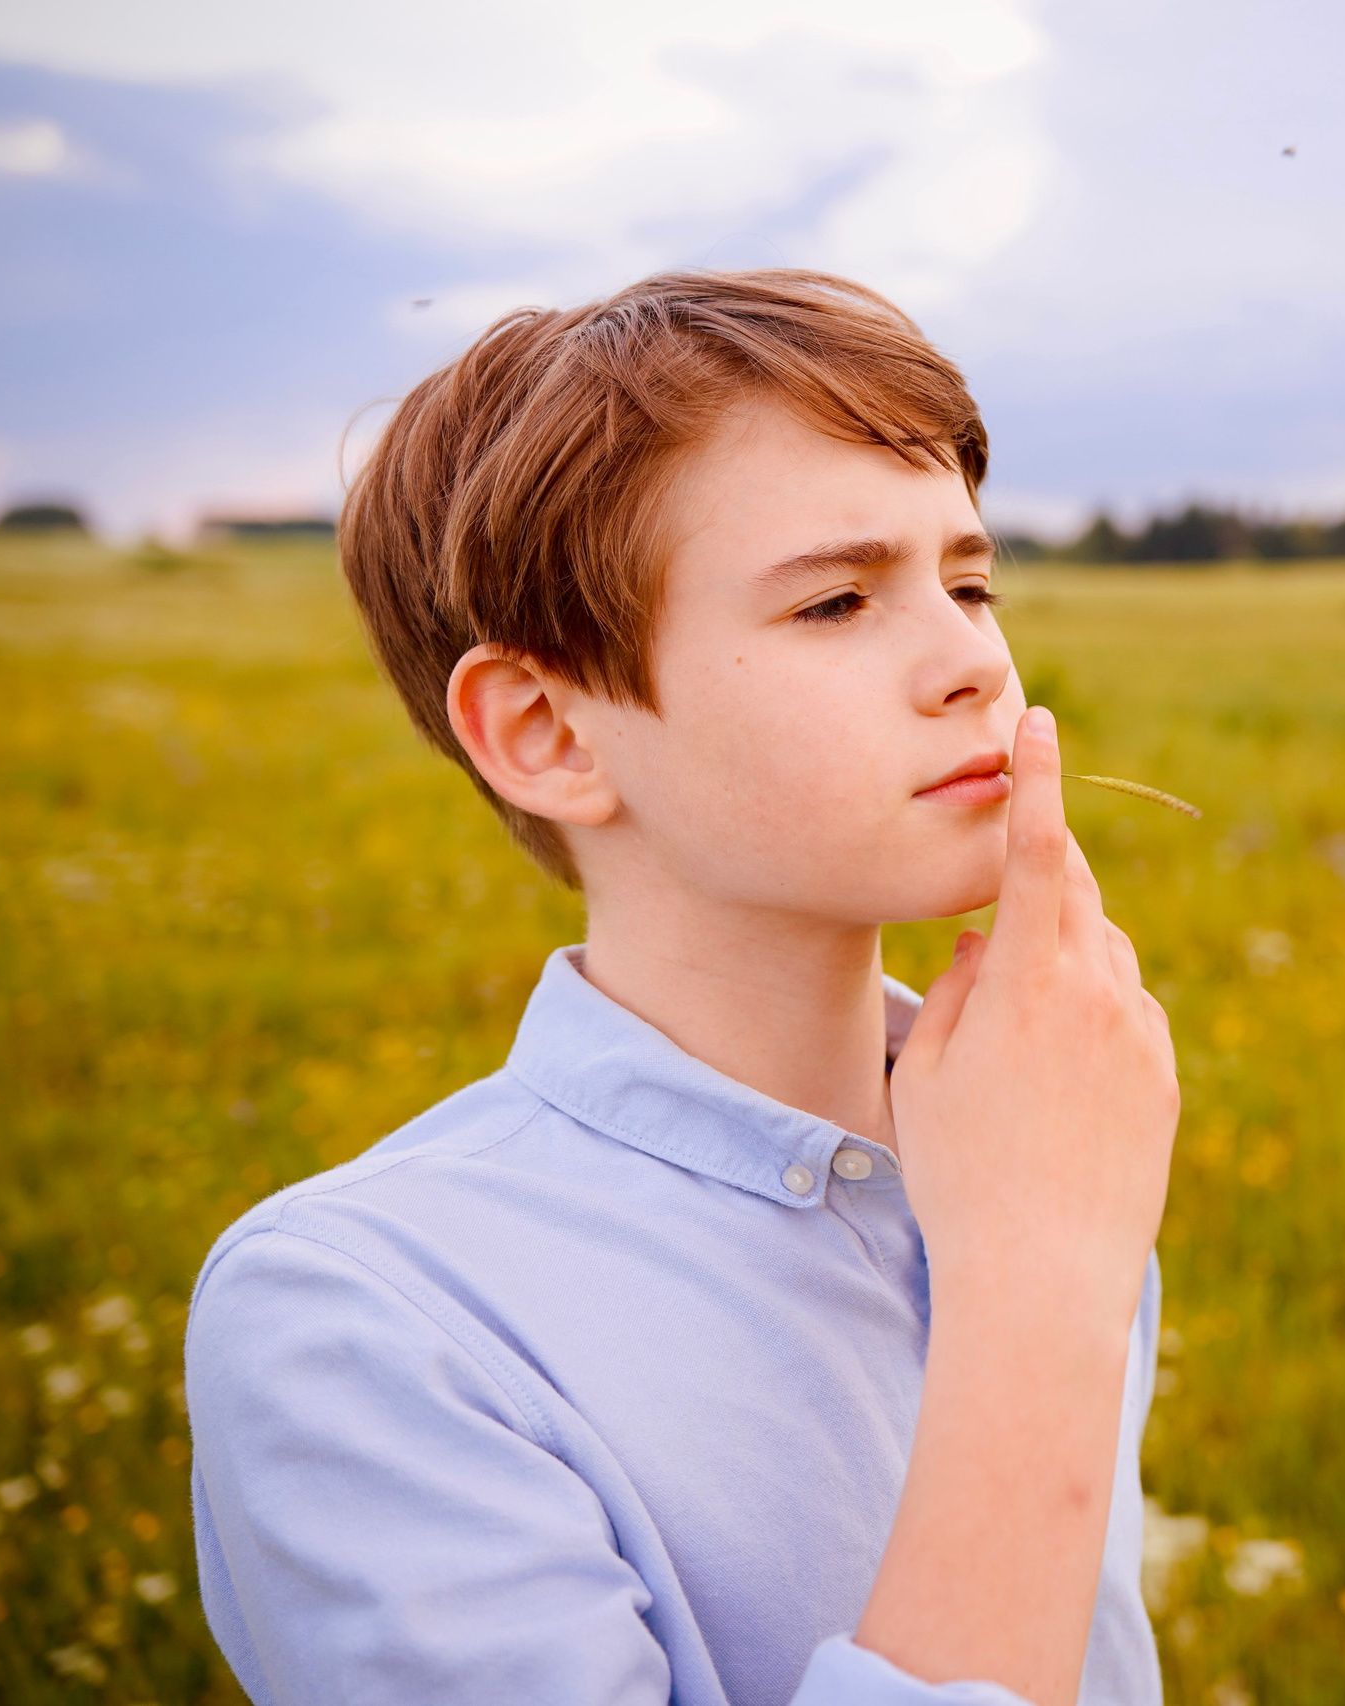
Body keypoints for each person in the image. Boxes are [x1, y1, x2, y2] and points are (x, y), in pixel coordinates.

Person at [184, 271, 1181, 1706]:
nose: (974, 661)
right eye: (837, 600)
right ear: (546, 731)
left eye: (969, 582)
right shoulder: (367, 1319)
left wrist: (1047, 1254)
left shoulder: (1027, 1139)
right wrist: (1033, 1300)